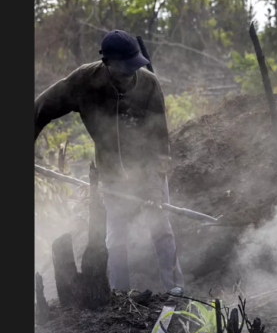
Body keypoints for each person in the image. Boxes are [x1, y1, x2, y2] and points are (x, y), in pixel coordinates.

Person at [35, 30, 185, 295]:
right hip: (112, 173)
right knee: (116, 237)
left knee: (161, 228)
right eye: (124, 69)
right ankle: (120, 294)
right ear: (107, 64)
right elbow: (42, 107)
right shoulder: (84, 81)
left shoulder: (149, 84)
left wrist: (152, 187)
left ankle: (175, 288)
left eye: (134, 67)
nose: (131, 75)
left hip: (149, 169)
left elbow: (160, 145)